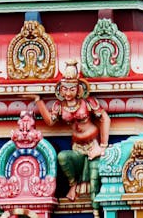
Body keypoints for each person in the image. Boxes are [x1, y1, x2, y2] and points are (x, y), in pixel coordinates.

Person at [32, 60, 109, 207]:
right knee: (63, 157)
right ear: (60, 90)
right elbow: (50, 122)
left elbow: (105, 118)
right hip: (77, 149)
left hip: (93, 146)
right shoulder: (59, 106)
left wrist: (103, 146)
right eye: (65, 89)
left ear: (79, 89)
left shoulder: (87, 103)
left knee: (94, 183)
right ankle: (73, 185)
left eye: (72, 89)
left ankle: (97, 211)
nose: (68, 93)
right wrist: (38, 101)